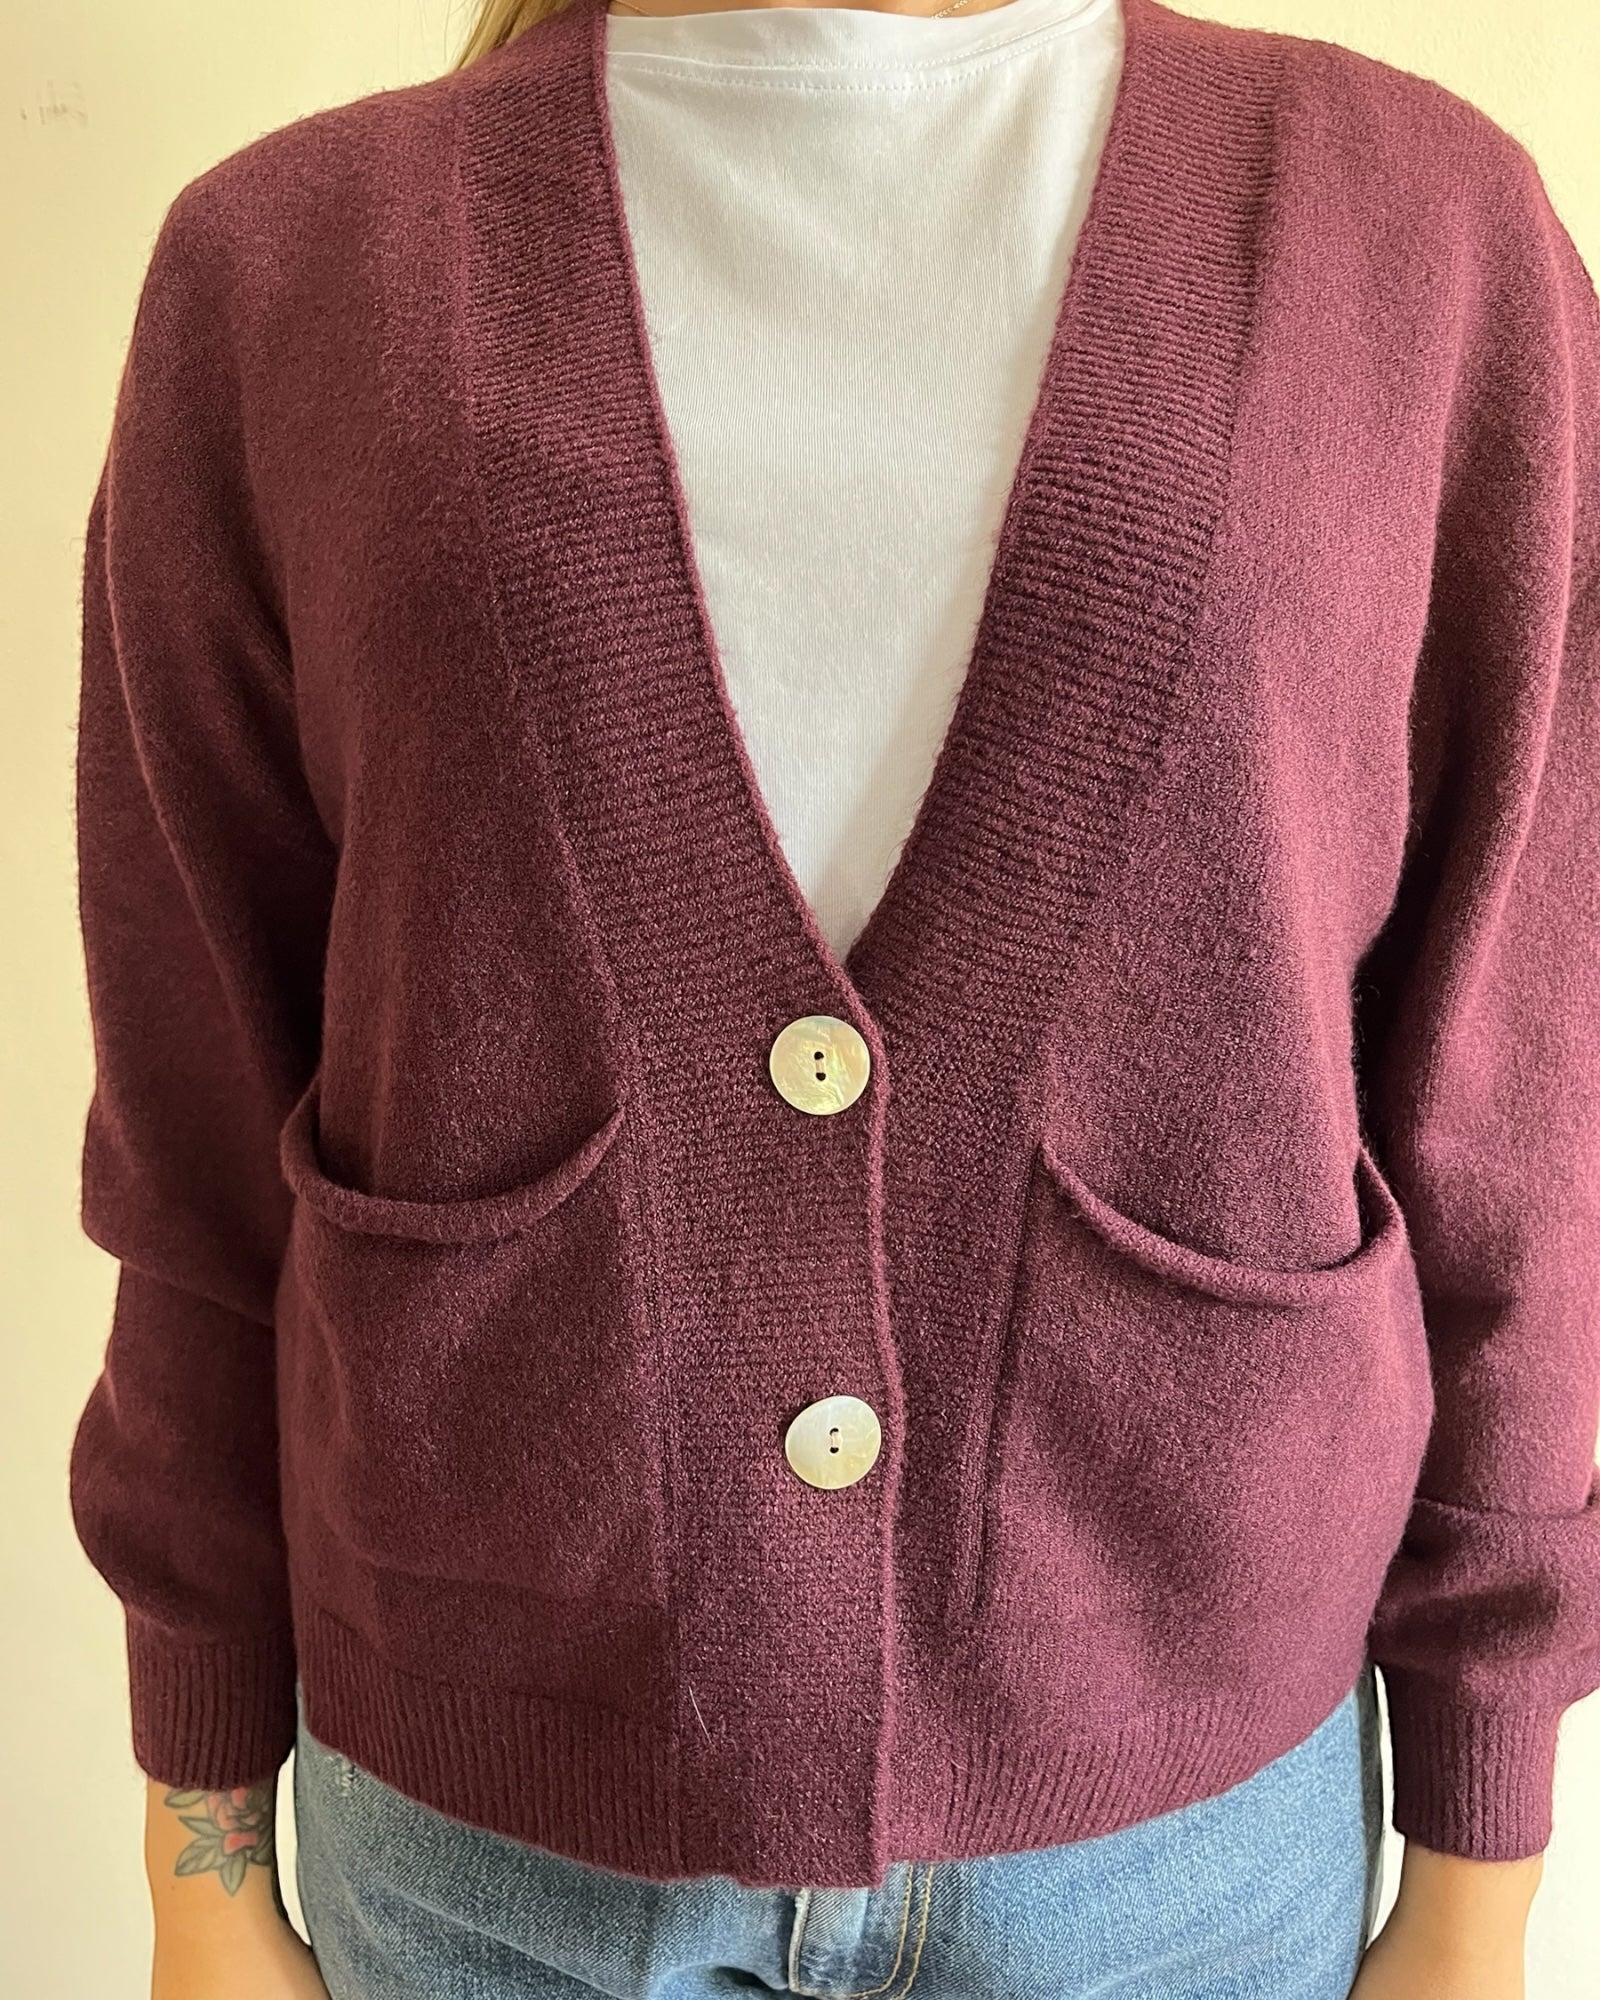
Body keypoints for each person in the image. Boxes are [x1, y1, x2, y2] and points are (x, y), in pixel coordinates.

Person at [69, 0, 1600, 1994]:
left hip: (1183, 1849)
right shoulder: (288, 266)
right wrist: (196, 1844)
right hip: (485, 1846)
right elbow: (196, 1111)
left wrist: (1479, 1859)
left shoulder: (1415, 232)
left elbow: (1516, 1096)